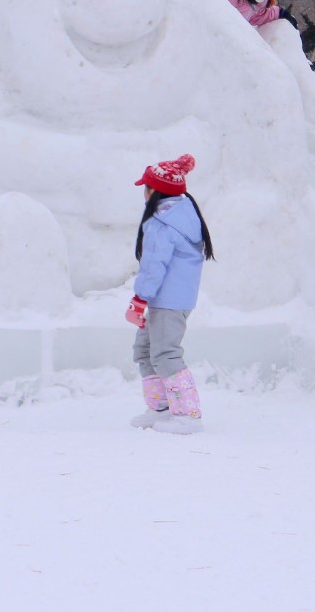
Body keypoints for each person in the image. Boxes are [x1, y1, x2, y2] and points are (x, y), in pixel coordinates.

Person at [127, 154, 214, 434]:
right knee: (144, 351)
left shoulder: (163, 223)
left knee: (165, 353)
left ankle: (188, 416)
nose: (144, 192)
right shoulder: (182, 212)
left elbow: (154, 265)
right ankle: (160, 408)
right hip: (165, 299)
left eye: (146, 187)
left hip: (167, 300)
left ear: (156, 192)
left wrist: (140, 299)